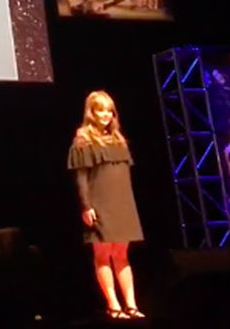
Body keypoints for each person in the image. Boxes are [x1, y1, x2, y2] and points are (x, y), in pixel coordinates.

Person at [67, 91, 145, 320]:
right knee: (103, 253)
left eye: (109, 110)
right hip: (100, 203)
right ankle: (113, 305)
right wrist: (86, 206)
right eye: (100, 110)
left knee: (122, 253)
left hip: (122, 202)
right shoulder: (83, 141)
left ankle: (131, 304)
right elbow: (81, 178)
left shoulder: (118, 140)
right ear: (91, 112)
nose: (105, 115)